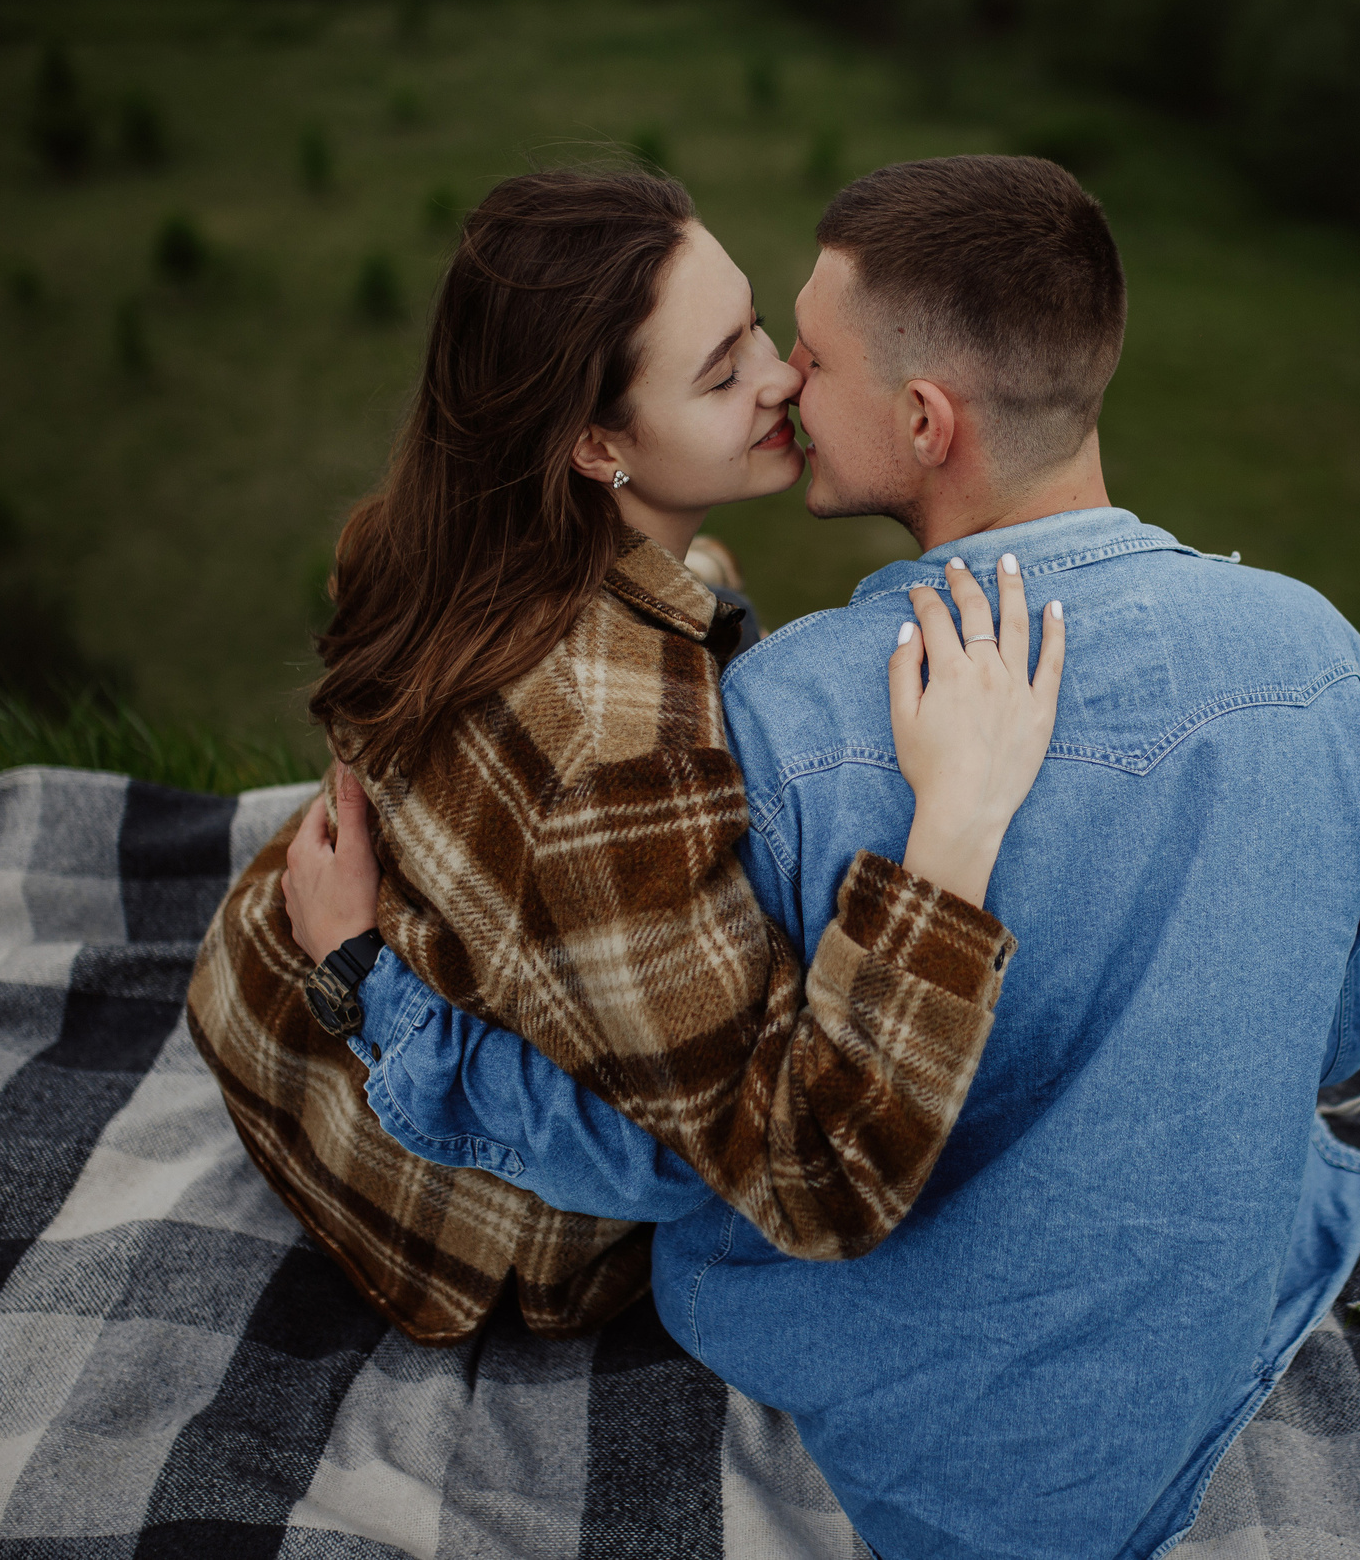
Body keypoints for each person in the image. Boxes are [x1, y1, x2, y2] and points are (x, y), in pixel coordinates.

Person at [291, 155, 1360, 1558]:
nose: (779, 381)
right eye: (746, 357)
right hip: (1206, 1339)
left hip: (931, 1416)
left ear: (925, 419)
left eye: (802, 351)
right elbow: (1345, 1022)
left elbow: (672, 1158)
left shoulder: (762, 736)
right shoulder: (1322, 656)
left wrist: (381, 998)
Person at [186, 167, 1066, 1346]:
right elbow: (806, 1173)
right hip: (430, 1209)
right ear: (597, 443)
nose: (780, 374)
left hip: (259, 1005)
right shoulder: (615, 761)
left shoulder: (447, 531)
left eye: (751, 320)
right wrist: (956, 821)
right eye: (719, 373)